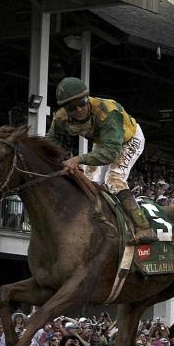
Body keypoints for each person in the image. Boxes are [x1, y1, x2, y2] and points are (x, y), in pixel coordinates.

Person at [46, 76, 156, 243]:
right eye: (71, 107)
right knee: (88, 182)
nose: (79, 109)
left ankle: (143, 228)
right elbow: (50, 139)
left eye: (82, 102)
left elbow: (111, 153)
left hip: (129, 139)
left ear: (88, 98)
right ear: (65, 109)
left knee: (114, 179)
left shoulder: (108, 112)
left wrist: (77, 159)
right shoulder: (60, 118)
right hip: (104, 141)